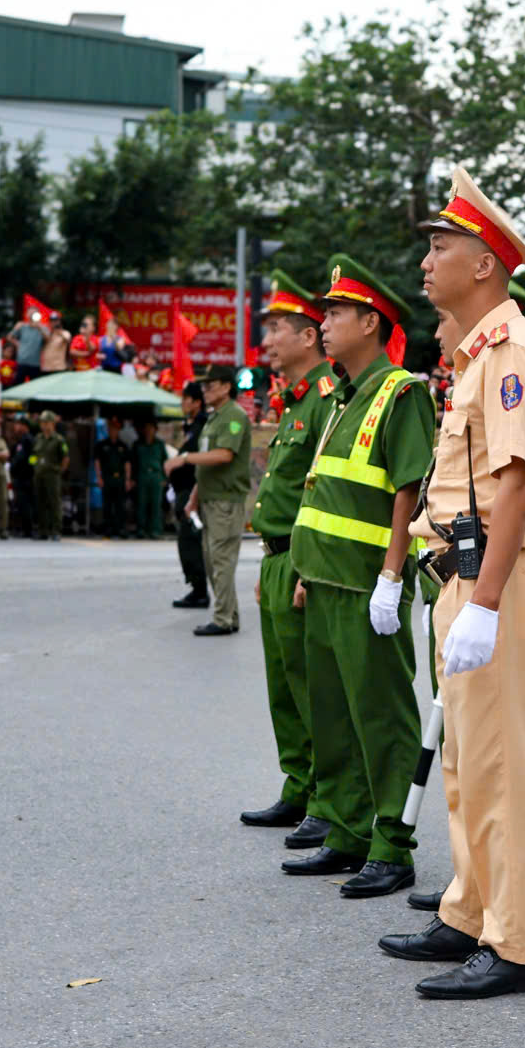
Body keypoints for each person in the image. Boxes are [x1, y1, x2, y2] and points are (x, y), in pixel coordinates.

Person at [370, 167, 525, 997]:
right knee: (463, 762)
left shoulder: (513, 353)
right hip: (463, 570)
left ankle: (517, 945)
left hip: (497, 577)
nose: (427, 261)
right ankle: (469, 911)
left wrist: (484, 600)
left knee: (498, 767)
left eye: (441, 246)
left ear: (484, 262)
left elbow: (516, 482)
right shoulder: (478, 355)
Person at [281, 258, 433, 895]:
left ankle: (392, 846)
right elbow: (322, 494)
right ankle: (345, 832)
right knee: (335, 716)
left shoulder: (401, 392)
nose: (324, 323)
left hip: (369, 584)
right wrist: (305, 571)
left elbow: (407, 490)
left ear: (371, 322)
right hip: (324, 580)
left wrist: (392, 577)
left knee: (382, 719)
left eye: (336, 313)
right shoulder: (341, 397)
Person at [238, 272, 343, 842]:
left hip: (302, 560)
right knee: (283, 686)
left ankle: (325, 799)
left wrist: (302, 563)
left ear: (308, 336)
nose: (269, 338)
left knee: (312, 689)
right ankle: (298, 786)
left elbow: (319, 489)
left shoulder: (328, 398)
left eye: (278, 327)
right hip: (276, 556)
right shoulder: (298, 399)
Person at [166, 366, 251, 634]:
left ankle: (223, 619)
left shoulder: (234, 416)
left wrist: (185, 458)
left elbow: (224, 455)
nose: (206, 391)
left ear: (227, 387)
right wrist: (194, 497)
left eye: (211, 385)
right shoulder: (215, 419)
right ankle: (229, 615)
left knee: (221, 561)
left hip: (226, 501)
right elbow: (207, 468)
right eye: (204, 387)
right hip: (210, 499)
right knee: (213, 561)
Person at [168, 382, 210, 607]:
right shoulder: (189, 426)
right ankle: (195, 587)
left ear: (196, 402)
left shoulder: (203, 426)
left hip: (194, 490)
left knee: (190, 541)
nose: (183, 403)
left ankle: (200, 590)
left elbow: (199, 456)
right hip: (181, 490)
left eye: (186, 399)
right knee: (186, 542)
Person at [29, 410, 70, 540]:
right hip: (39, 475)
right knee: (40, 503)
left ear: (53, 424)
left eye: (47, 423)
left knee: (54, 503)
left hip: (52, 475)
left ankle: (56, 531)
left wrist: (59, 471)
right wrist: (34, 466)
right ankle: (43, 530)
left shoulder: (59, 440)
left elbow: (65, 458)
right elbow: (33, 456)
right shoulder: (38, 438)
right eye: (42, 423)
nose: (44, 425)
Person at [96, 415, 134, 538]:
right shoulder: (102, 445)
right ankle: (108, 529)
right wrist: (99, 477)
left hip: (120, 479)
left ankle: (120, 529)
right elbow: (97, 462)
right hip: (107, 478)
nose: (113, 431)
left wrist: (128, 479)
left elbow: (127, 463)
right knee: (107, 505)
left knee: (120, 505)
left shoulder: (123, 446)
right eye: (111, 428)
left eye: (115, 429)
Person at [133, 417, 168, 540]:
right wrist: (132, 478)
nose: (149, 431)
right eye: (147, 428)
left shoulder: (160, 444)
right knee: (141, 503)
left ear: (155, 429)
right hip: (142, 475)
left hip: (156, 475)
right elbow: (133, 462)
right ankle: (141, 529)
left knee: (156, 504)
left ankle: (155, 530)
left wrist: (165, 477)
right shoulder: (137, 444)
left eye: (151, 428)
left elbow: (165, 461)